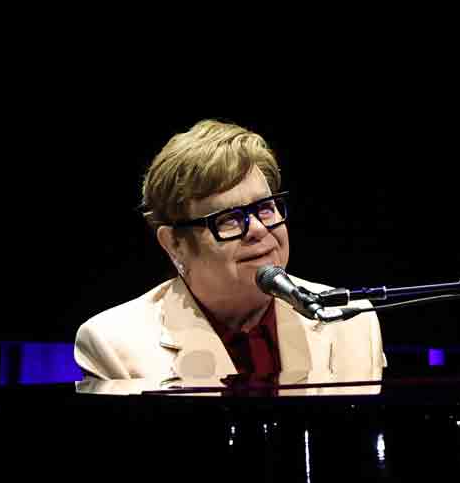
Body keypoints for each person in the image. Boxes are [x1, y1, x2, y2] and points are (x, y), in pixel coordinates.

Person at [74, 119, 385, 387]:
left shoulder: (351, 321)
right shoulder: (114, 343)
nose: (259, 230)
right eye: (229, 219)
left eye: (264, 208)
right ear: (174, 244)